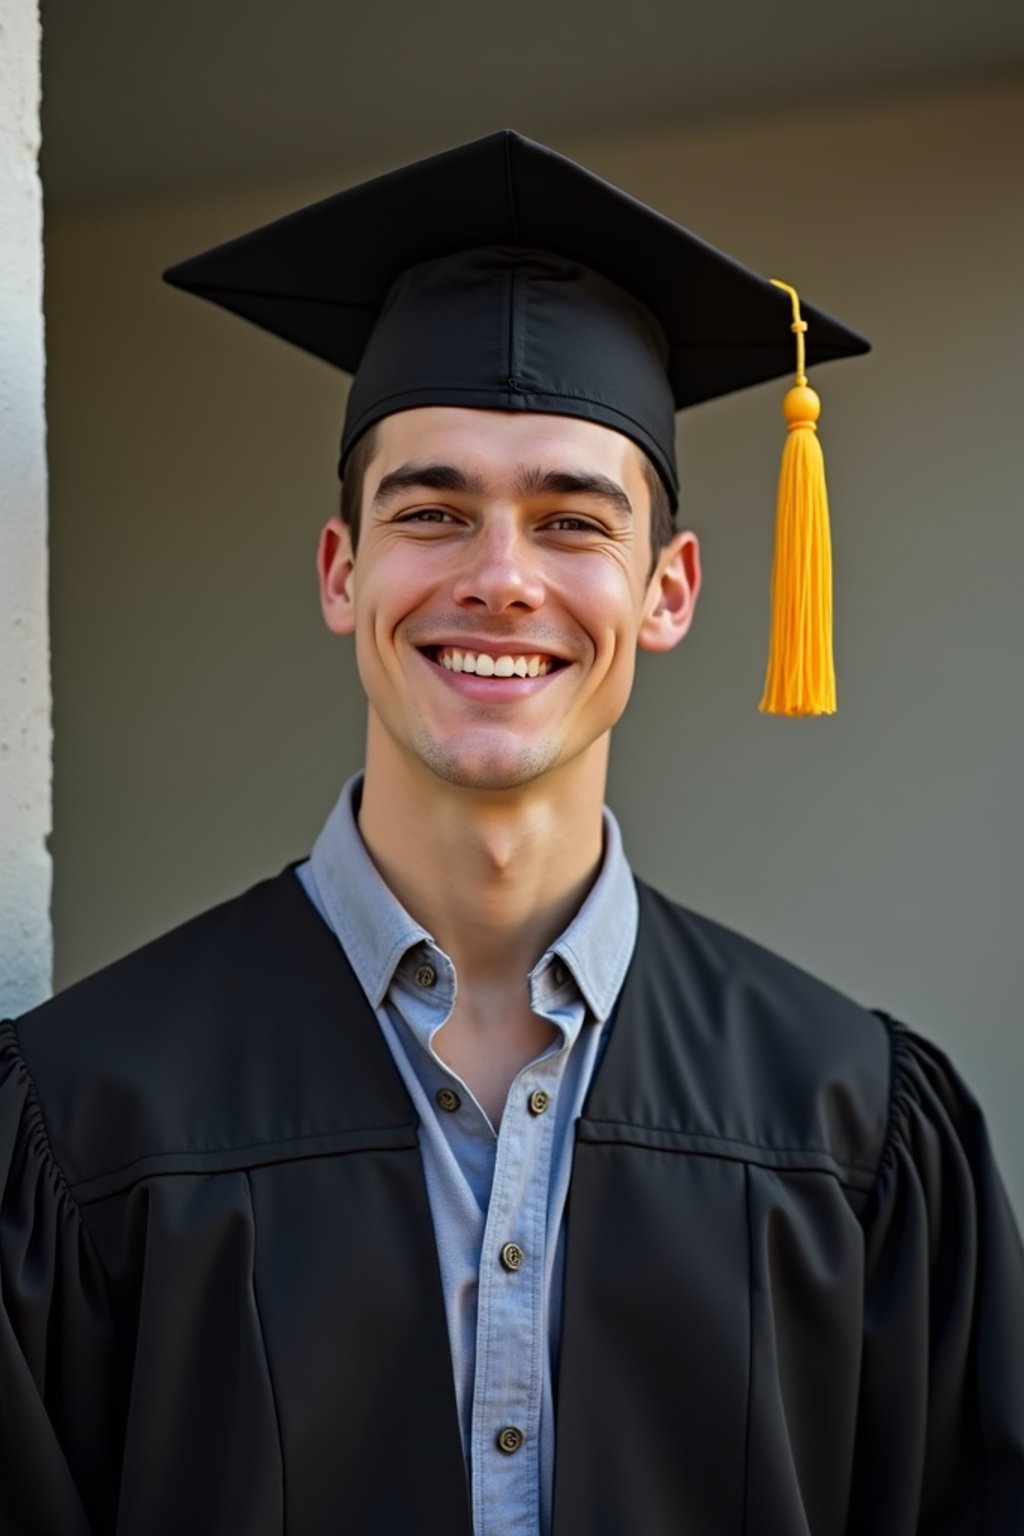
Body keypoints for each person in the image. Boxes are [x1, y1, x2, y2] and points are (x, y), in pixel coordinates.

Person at [1, 131, 1022, 1536]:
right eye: (433, 511)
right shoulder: (84, 1118)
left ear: (666, 593)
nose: (499, 579)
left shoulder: (854, 1132)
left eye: (569, 520)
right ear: (341, 570)